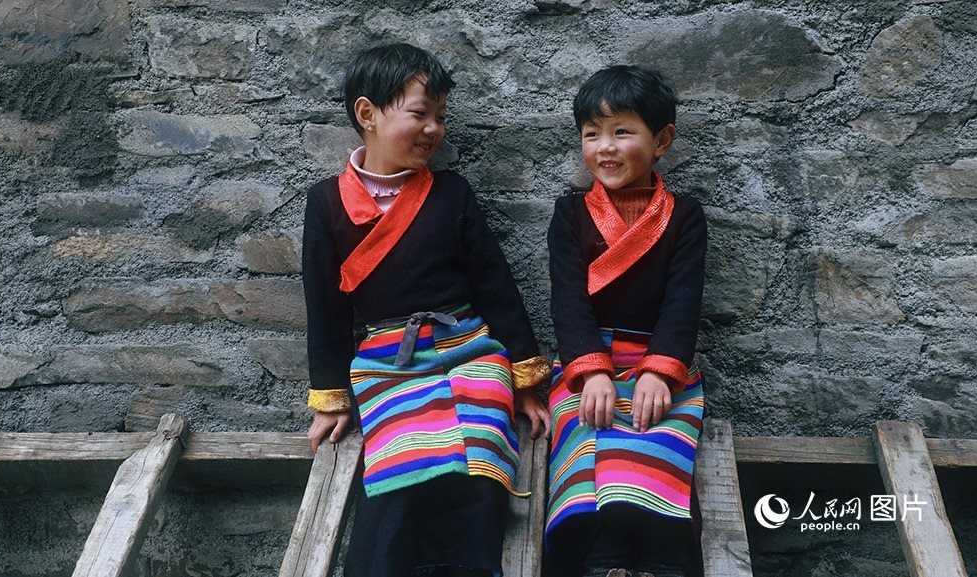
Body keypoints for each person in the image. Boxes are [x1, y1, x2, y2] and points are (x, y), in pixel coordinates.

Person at [301, 43, 551, 577]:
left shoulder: (452, 193)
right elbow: (324, 306)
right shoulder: (326, 203)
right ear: (367, 114)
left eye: (440, 116)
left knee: (482, 448)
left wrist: (524, 379)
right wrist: (331, 398)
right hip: (389, 360)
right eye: (419, 113)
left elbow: (495, 285)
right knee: (402, 456)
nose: (433, 128)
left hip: (471, 348)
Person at [544, 65, 706, 577]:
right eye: (592, 134)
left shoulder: (684, 216)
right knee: (589, 444)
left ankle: (665, 561)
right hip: (586, 363)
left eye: (622, 132)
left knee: (657, 443)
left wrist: (660, 371)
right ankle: (603, 560)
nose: (606, 148)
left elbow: (683, 302)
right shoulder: (570, 215)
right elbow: (568, 301)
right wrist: (591, 371)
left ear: (663, 140)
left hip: (659, 364)